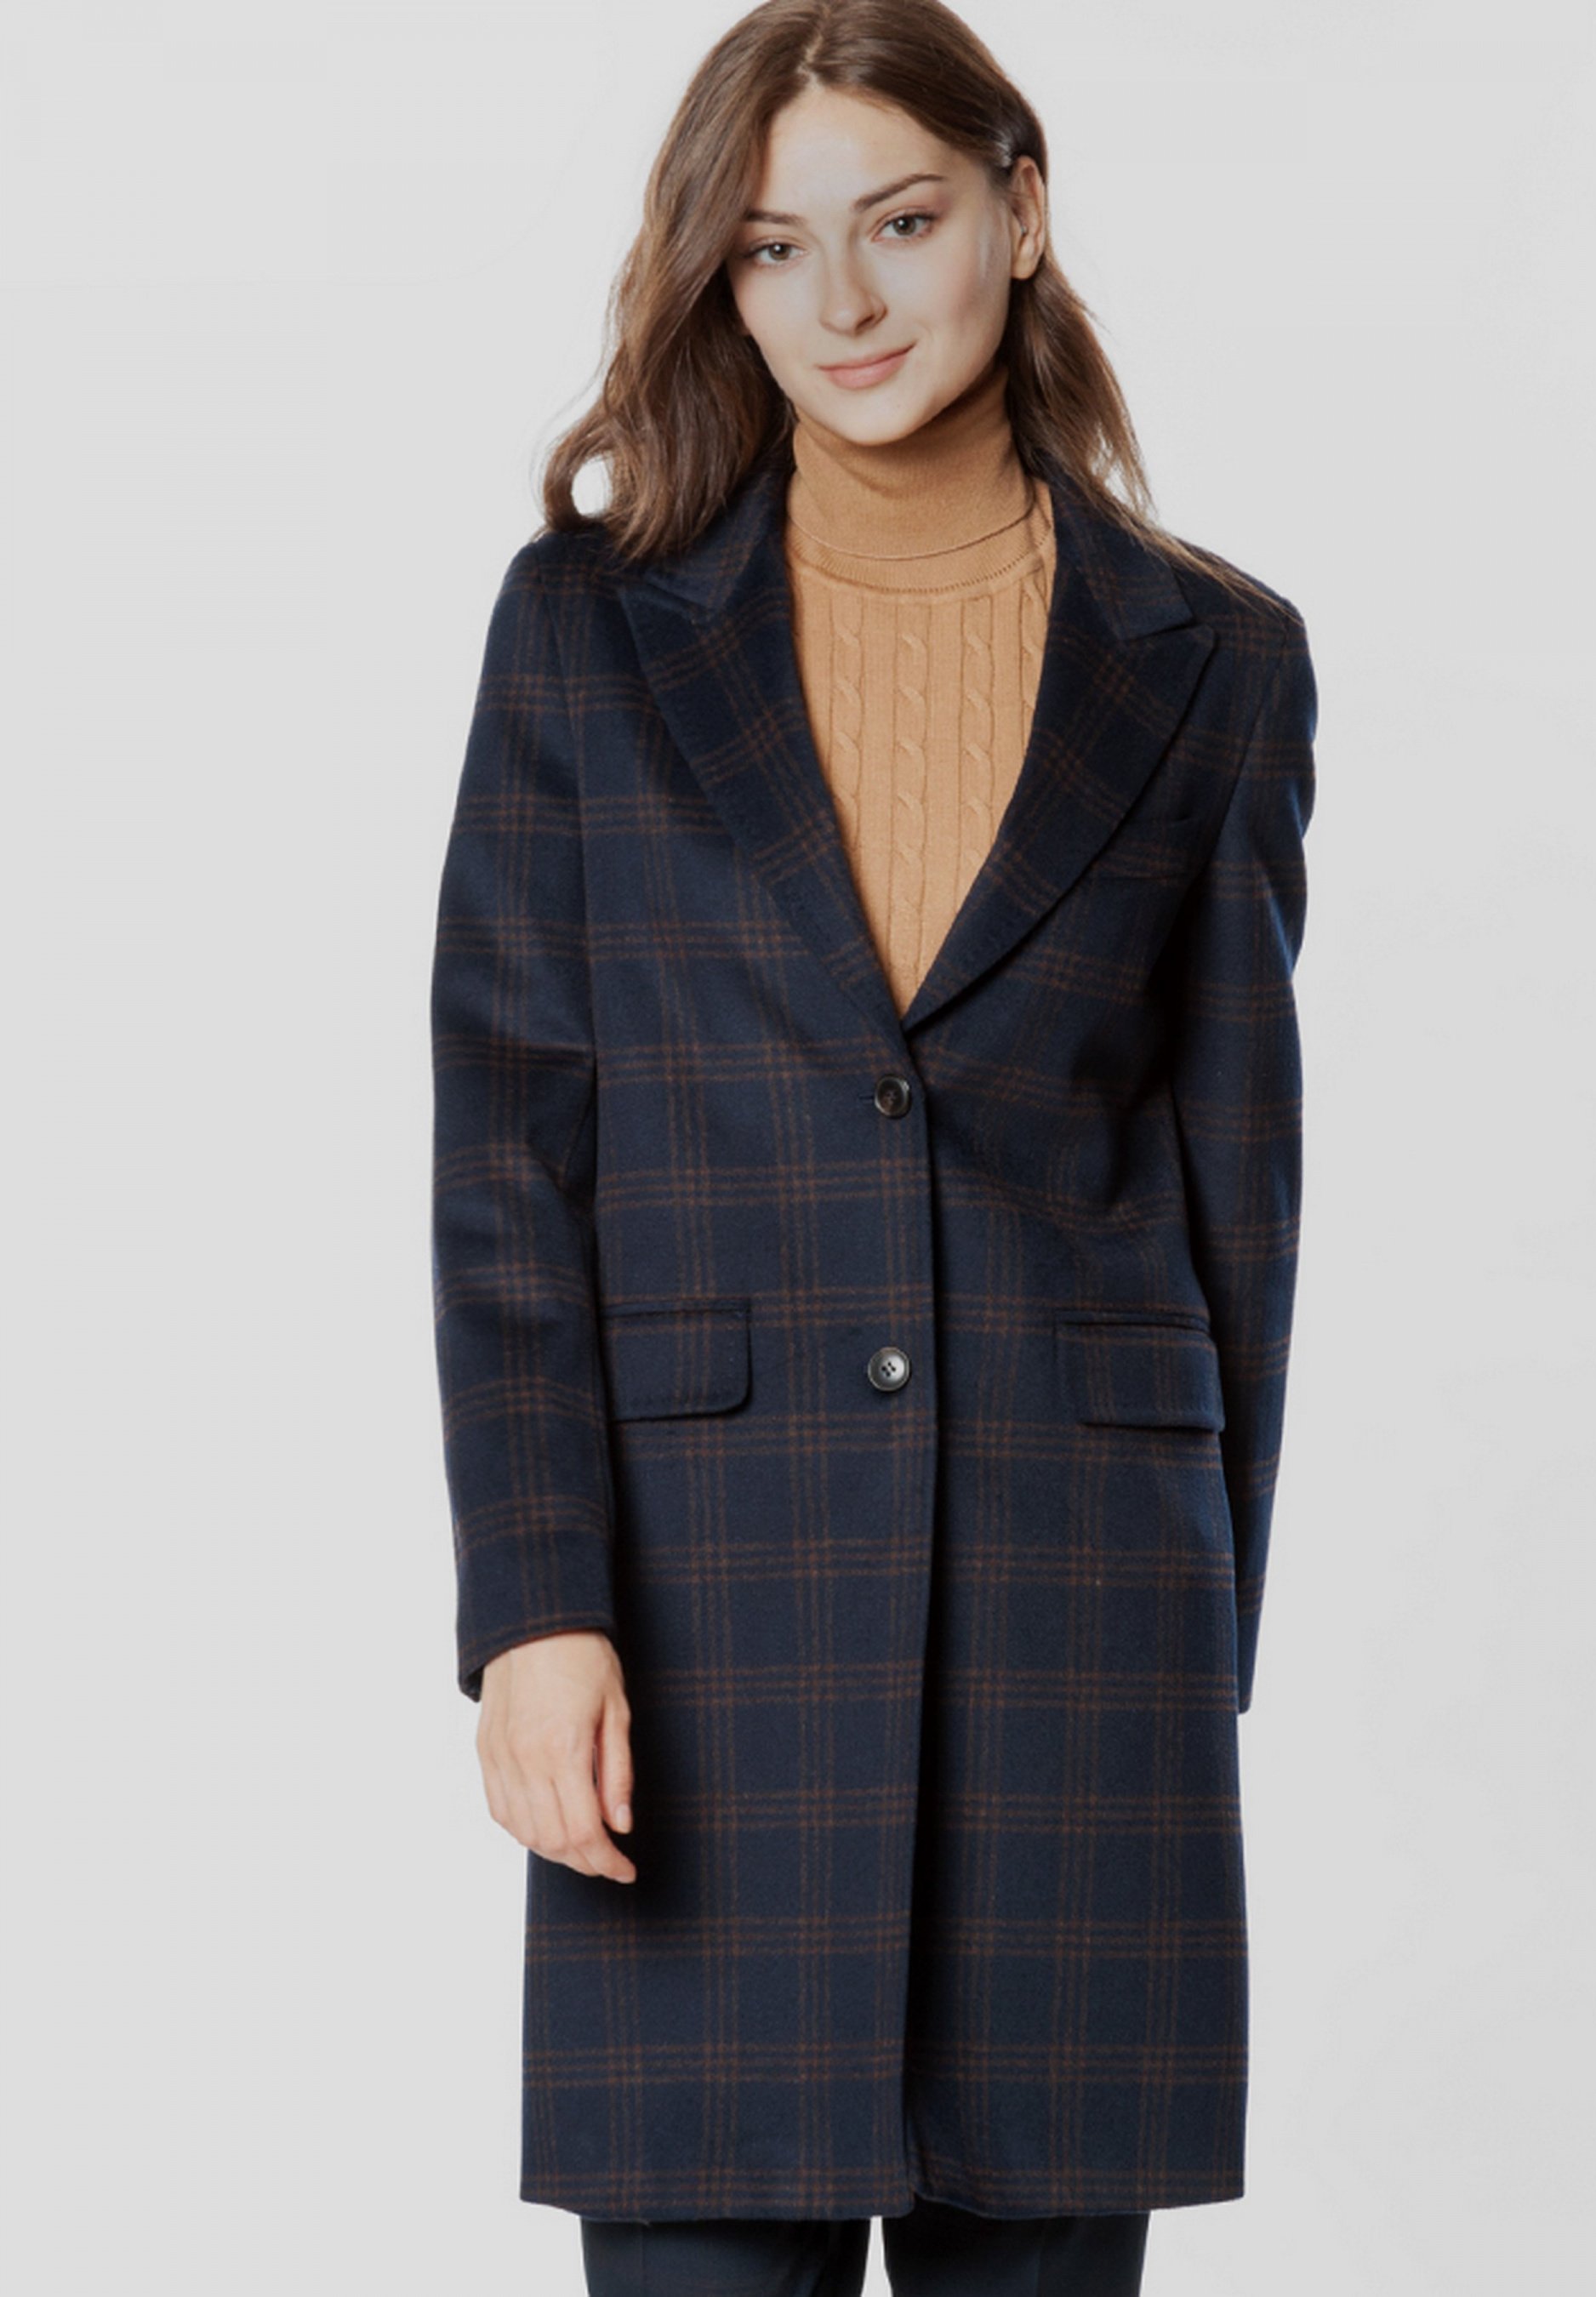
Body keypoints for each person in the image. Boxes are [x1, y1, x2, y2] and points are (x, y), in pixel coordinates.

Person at [429, 3, 1318, 2291]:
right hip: (696, 1630)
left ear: (1018, 210)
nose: (838, 302)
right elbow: (511, 1146)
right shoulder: (587, 634)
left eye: (898, 223)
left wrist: (1194, 1642)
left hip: (1077, 1625)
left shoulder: (1215, 664)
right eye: (767, 248)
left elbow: (1237, 1195)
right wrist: (533, 1603)